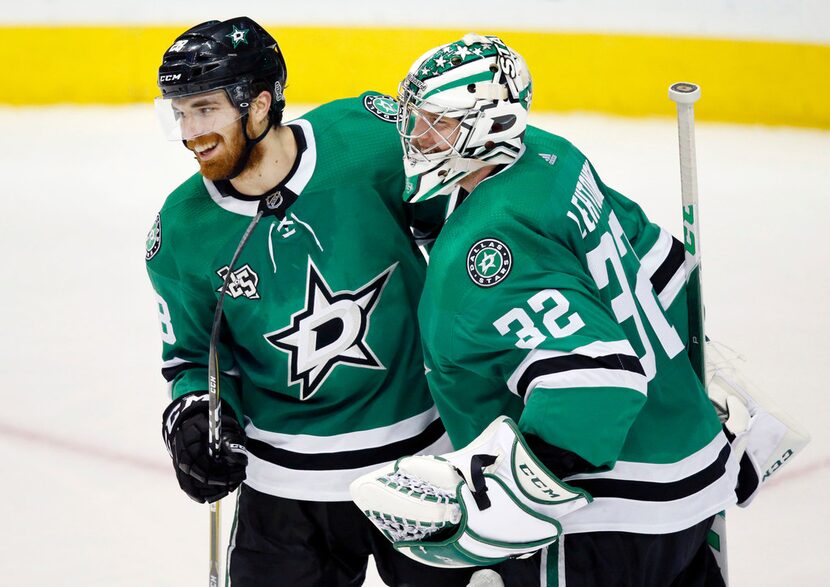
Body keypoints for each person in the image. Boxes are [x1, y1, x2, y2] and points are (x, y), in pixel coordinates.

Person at [352, 34, 742, 586]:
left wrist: (492, 493)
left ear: (488, 124)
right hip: (685, 467)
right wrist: (695, 396)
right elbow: (657, 264)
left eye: (435, 123)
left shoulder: (488, 250)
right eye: (416, 119)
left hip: (608, 518)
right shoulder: (551, 157)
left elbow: (596, 388)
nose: (415, 137)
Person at [146, 17, 480, 587]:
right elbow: (193, 357)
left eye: (205, 109)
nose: (189, 132)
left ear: (259, 105)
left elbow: (452, 238)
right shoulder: (180, 231)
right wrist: (194, 413)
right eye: (178, 112)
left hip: (426, 459)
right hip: (284, 492)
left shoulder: (369, 140)